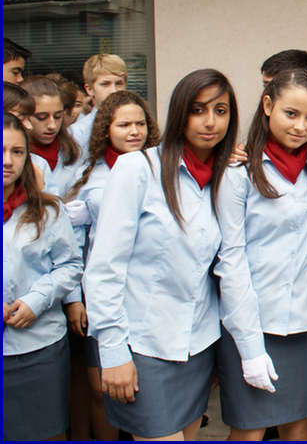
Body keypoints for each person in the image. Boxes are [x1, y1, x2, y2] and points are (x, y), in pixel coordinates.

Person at [83, 68, 238, 440]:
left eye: (220, 111)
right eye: (198, 110)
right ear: (179, 113)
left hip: (198, 344)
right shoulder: (138, 169)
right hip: (142, 344)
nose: (210, 121)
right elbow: (104, 268)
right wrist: (113, 351)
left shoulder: (225, 177)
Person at [213, 69, 307, 441]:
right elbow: (231, 260)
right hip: (253, 321)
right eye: (291, 113)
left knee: (298, 426)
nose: (301, 126)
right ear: (267, 106)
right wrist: (249, 347)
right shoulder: (239, 172)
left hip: (303, 325)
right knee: (250, 430)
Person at [63, 90, 160, 441]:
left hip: (148, 296)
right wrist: (75, 299)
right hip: (103, 295)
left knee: (143, 389)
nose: (134, 131)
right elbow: (74, 244)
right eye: (124, 125)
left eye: (140, 124)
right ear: (106, 129)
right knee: (101, 388)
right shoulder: (90, 176)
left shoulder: (160, 170)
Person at [3, 112, 84, 441]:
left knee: (46, 432)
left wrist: (36, 300)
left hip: (38, 345)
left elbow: (70, 265)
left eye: (17, 152)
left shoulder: (48, 210)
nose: (7, 161)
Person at [21, 76, 83, 198]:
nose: (52, 125)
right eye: (42, 117)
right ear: (23, 116)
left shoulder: (74, 151)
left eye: (58, 116)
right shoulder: (13, 158)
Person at [68, 54, 128, 159]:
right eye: (105, 84)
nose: (113, 90)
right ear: (89, 89)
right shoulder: (78, 132)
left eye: (119, 83)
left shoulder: (139, 124)